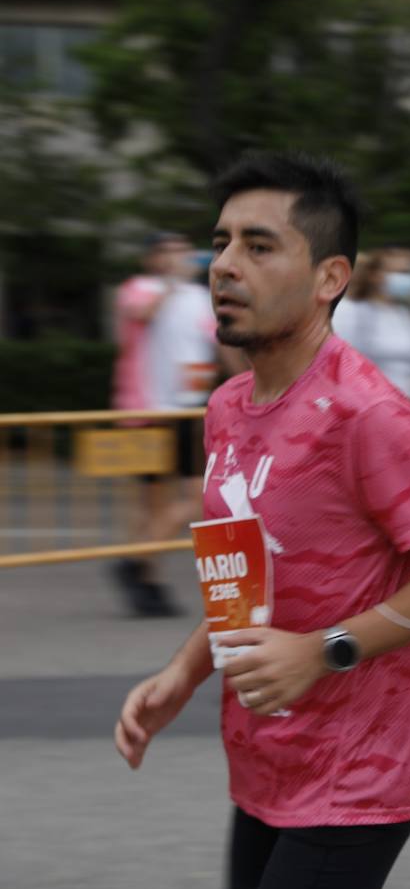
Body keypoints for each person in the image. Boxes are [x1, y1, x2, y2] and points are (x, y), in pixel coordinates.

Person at [113, 152, 410, 889]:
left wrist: (323, 652)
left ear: (329, 278)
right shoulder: (227, 407)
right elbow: (246, 579)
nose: (224, 265)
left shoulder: (370, 416)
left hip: (360, 773)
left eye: (259, 246)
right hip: (268, 759)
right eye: (220, 243)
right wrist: (181, 675)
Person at [110, 232, 233, 616]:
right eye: (167, 251)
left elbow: (217, 341)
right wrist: (169, 282)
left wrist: (245, 378)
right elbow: (143, 315)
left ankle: (135, 566)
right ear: (152, 258)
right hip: (148, 410)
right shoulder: (138, 288)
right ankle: (148, 582)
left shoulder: (198, 296)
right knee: (150, 504)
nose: (178, 256)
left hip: (189, 408)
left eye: (182, 250)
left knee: (196, 496)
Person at [331, 246, 410, 404]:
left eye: (409, 272)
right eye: (399, 272)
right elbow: (335, 365)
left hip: (407, 412)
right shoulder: (351, 311)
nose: (406, 278)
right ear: (375, 276)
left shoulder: (405, 315)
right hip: (369, 411)